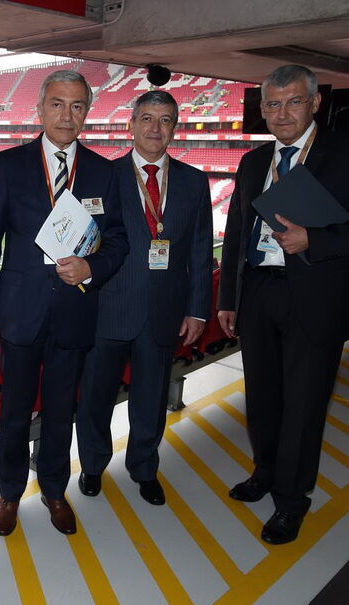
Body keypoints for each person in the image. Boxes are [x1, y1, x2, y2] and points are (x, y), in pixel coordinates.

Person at [218, 65, 349, 544]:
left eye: (293, 102)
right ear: (262, 109)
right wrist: (229, 298)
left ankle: (291, 500)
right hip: (258, 293)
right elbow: (235, 235)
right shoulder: (253, 162)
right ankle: (265, 471)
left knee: (304, 405)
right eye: (273, 104)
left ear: (315, 103)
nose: (282, 113)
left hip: (316, 296)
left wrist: (316, 239)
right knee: (263, 397)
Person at [0, 70, 128, 537]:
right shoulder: (9, 164)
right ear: (40, 108)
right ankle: (9, 493)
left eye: (77, 106)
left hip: (75, 310)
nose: (67, 115)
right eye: (57, 104)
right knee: (14, 411)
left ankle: (53, 489)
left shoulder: (104, 171)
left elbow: (119, 240)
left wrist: (91, 267)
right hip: (20, 311)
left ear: (88, 112)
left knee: (62, 408)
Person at [76, 90, 213, 505]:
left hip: (163, 310)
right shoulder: (105, 175)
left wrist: (197, 309)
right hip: (108, 306)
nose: (156, 128)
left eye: (165, 120)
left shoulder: (194, 181)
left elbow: (200, 250)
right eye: (147, 118)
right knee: (96, 396)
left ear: (175, 128)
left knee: (151, 399)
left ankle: (144, 467)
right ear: (130, 125)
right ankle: (92, 465)